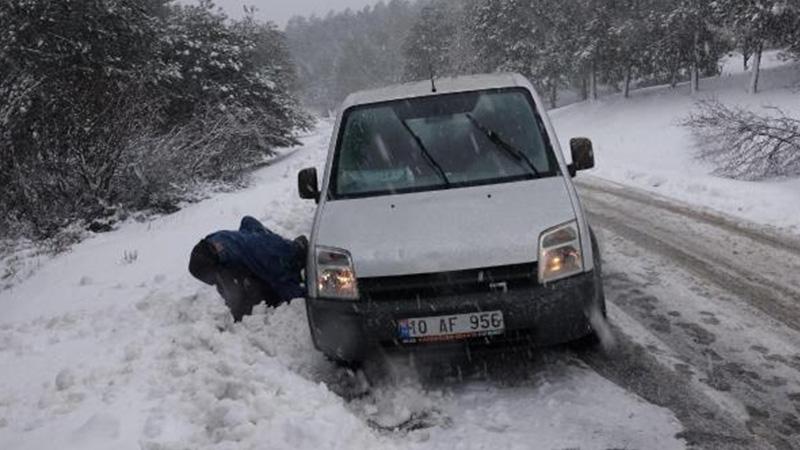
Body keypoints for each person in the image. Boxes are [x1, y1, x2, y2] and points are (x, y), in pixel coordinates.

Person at [188, 216, 308, 321]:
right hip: (215, 250)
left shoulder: (267, 252)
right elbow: (282, 284)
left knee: (248, 224)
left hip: (213, 249)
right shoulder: (271, 257)